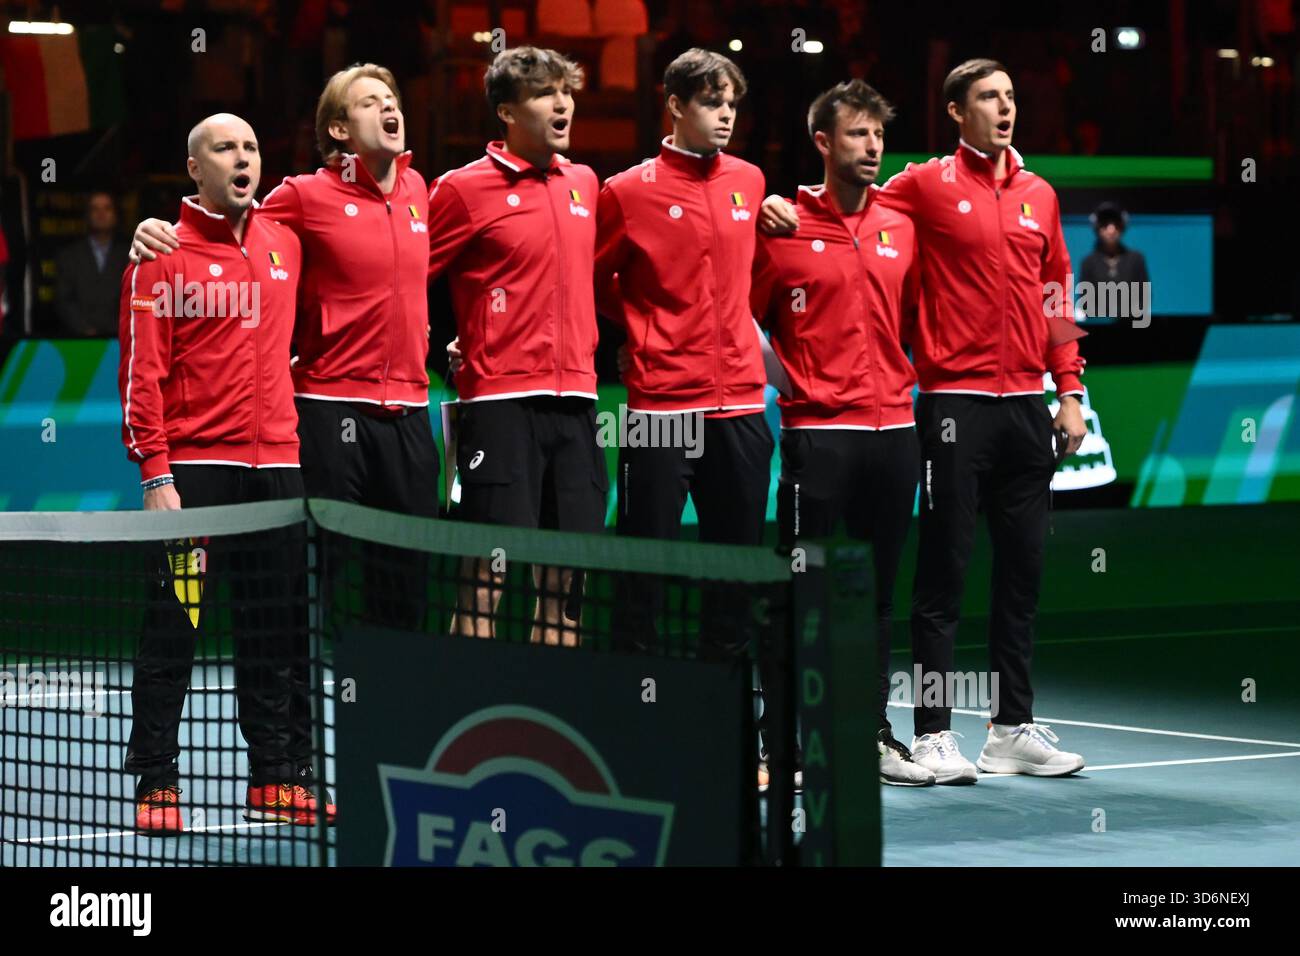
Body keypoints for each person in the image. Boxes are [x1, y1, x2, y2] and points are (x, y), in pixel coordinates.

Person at [761, 58, 1089, 783]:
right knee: (942, 572)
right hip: (950, 406)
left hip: (1025, 406)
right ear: (955, 111)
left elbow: (1056, 294)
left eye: (1011, 96)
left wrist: (1068, 389)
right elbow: (841, 201)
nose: (1006, 109)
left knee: (1023, 571)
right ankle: (933, 731)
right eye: (989, 98)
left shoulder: (1040, 194)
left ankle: (1010, 725)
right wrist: (772, 207)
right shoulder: (921, 187)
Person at [129, 64, 440, 632]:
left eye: (392, 98)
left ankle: (395, 711)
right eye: (370, 102)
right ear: (339, 129)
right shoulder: (303, 195)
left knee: (407, 584)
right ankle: (309, 714)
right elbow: (226, 229)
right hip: (328, 411)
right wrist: (154, 229)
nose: (389, 108)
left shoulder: (422, 191)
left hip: (411, 414)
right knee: (306, 587)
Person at [118, 113, 333, 832]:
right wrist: (156, 472)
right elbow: (141, 375)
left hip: (276, 469)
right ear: (193, 167)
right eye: (224, 148)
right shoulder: (159, 256)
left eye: (250, 146)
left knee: (278, 628)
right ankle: (155, 779)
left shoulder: (285, 245)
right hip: (195, 477)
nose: (242, 158)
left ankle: (278, 775)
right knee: (175, 625)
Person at [751, 79, 933, 787]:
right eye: (857, 134)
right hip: (818, 437)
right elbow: (741, 318)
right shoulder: (781, 227)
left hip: (895, 433)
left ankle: (870, 734)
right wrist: (791, 382)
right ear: (823, 142)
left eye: (878, 134)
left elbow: (915, 317)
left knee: (876, 596)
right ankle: (783, 745)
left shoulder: (901, 225)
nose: (872, 146)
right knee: (797, 592)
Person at [594, 48, 773, 655]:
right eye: (711, 101)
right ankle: (634, 714)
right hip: (660, 410)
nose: (726, 115)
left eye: (732, 103)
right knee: (644, 570)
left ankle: (722, 722)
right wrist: (641, 328)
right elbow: (595, 281)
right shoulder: (625, 191)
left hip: (744, 409)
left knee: (736, 576)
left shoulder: (750, 181)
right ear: (675, 105)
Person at [427, 47, 606, 646]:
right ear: (506, 111)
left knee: (565, 585)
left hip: (579, 404)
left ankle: (549, 730)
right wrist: (443, 352)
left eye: (567, 91)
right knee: (487, 575)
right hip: (500, 407)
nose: (562, 104)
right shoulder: (460, 190)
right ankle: (464, 726)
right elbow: (403, 274)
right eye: (543, 94)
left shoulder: (585, 183)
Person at [56, 191, 131, 336]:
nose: (101, 214)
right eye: (95, 209)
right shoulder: (69, 256)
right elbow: (63, 300)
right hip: (78, 341)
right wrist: (85, 329)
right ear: (87, 216)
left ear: (116, 215)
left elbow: (136, 297)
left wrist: (118, 328)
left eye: (107, 208)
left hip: (120, 338)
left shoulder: (131, 255)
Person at [1078, 201, 1150, 324]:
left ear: (1122, 226)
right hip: (1099, 331)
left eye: (1116, 224)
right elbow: (1085, 302)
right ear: (1097, 227)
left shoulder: (1136, 259)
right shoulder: (1088, 262)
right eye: (1105, 224)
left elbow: (1144, 299)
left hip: (1131, 330)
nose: (1111, 230)